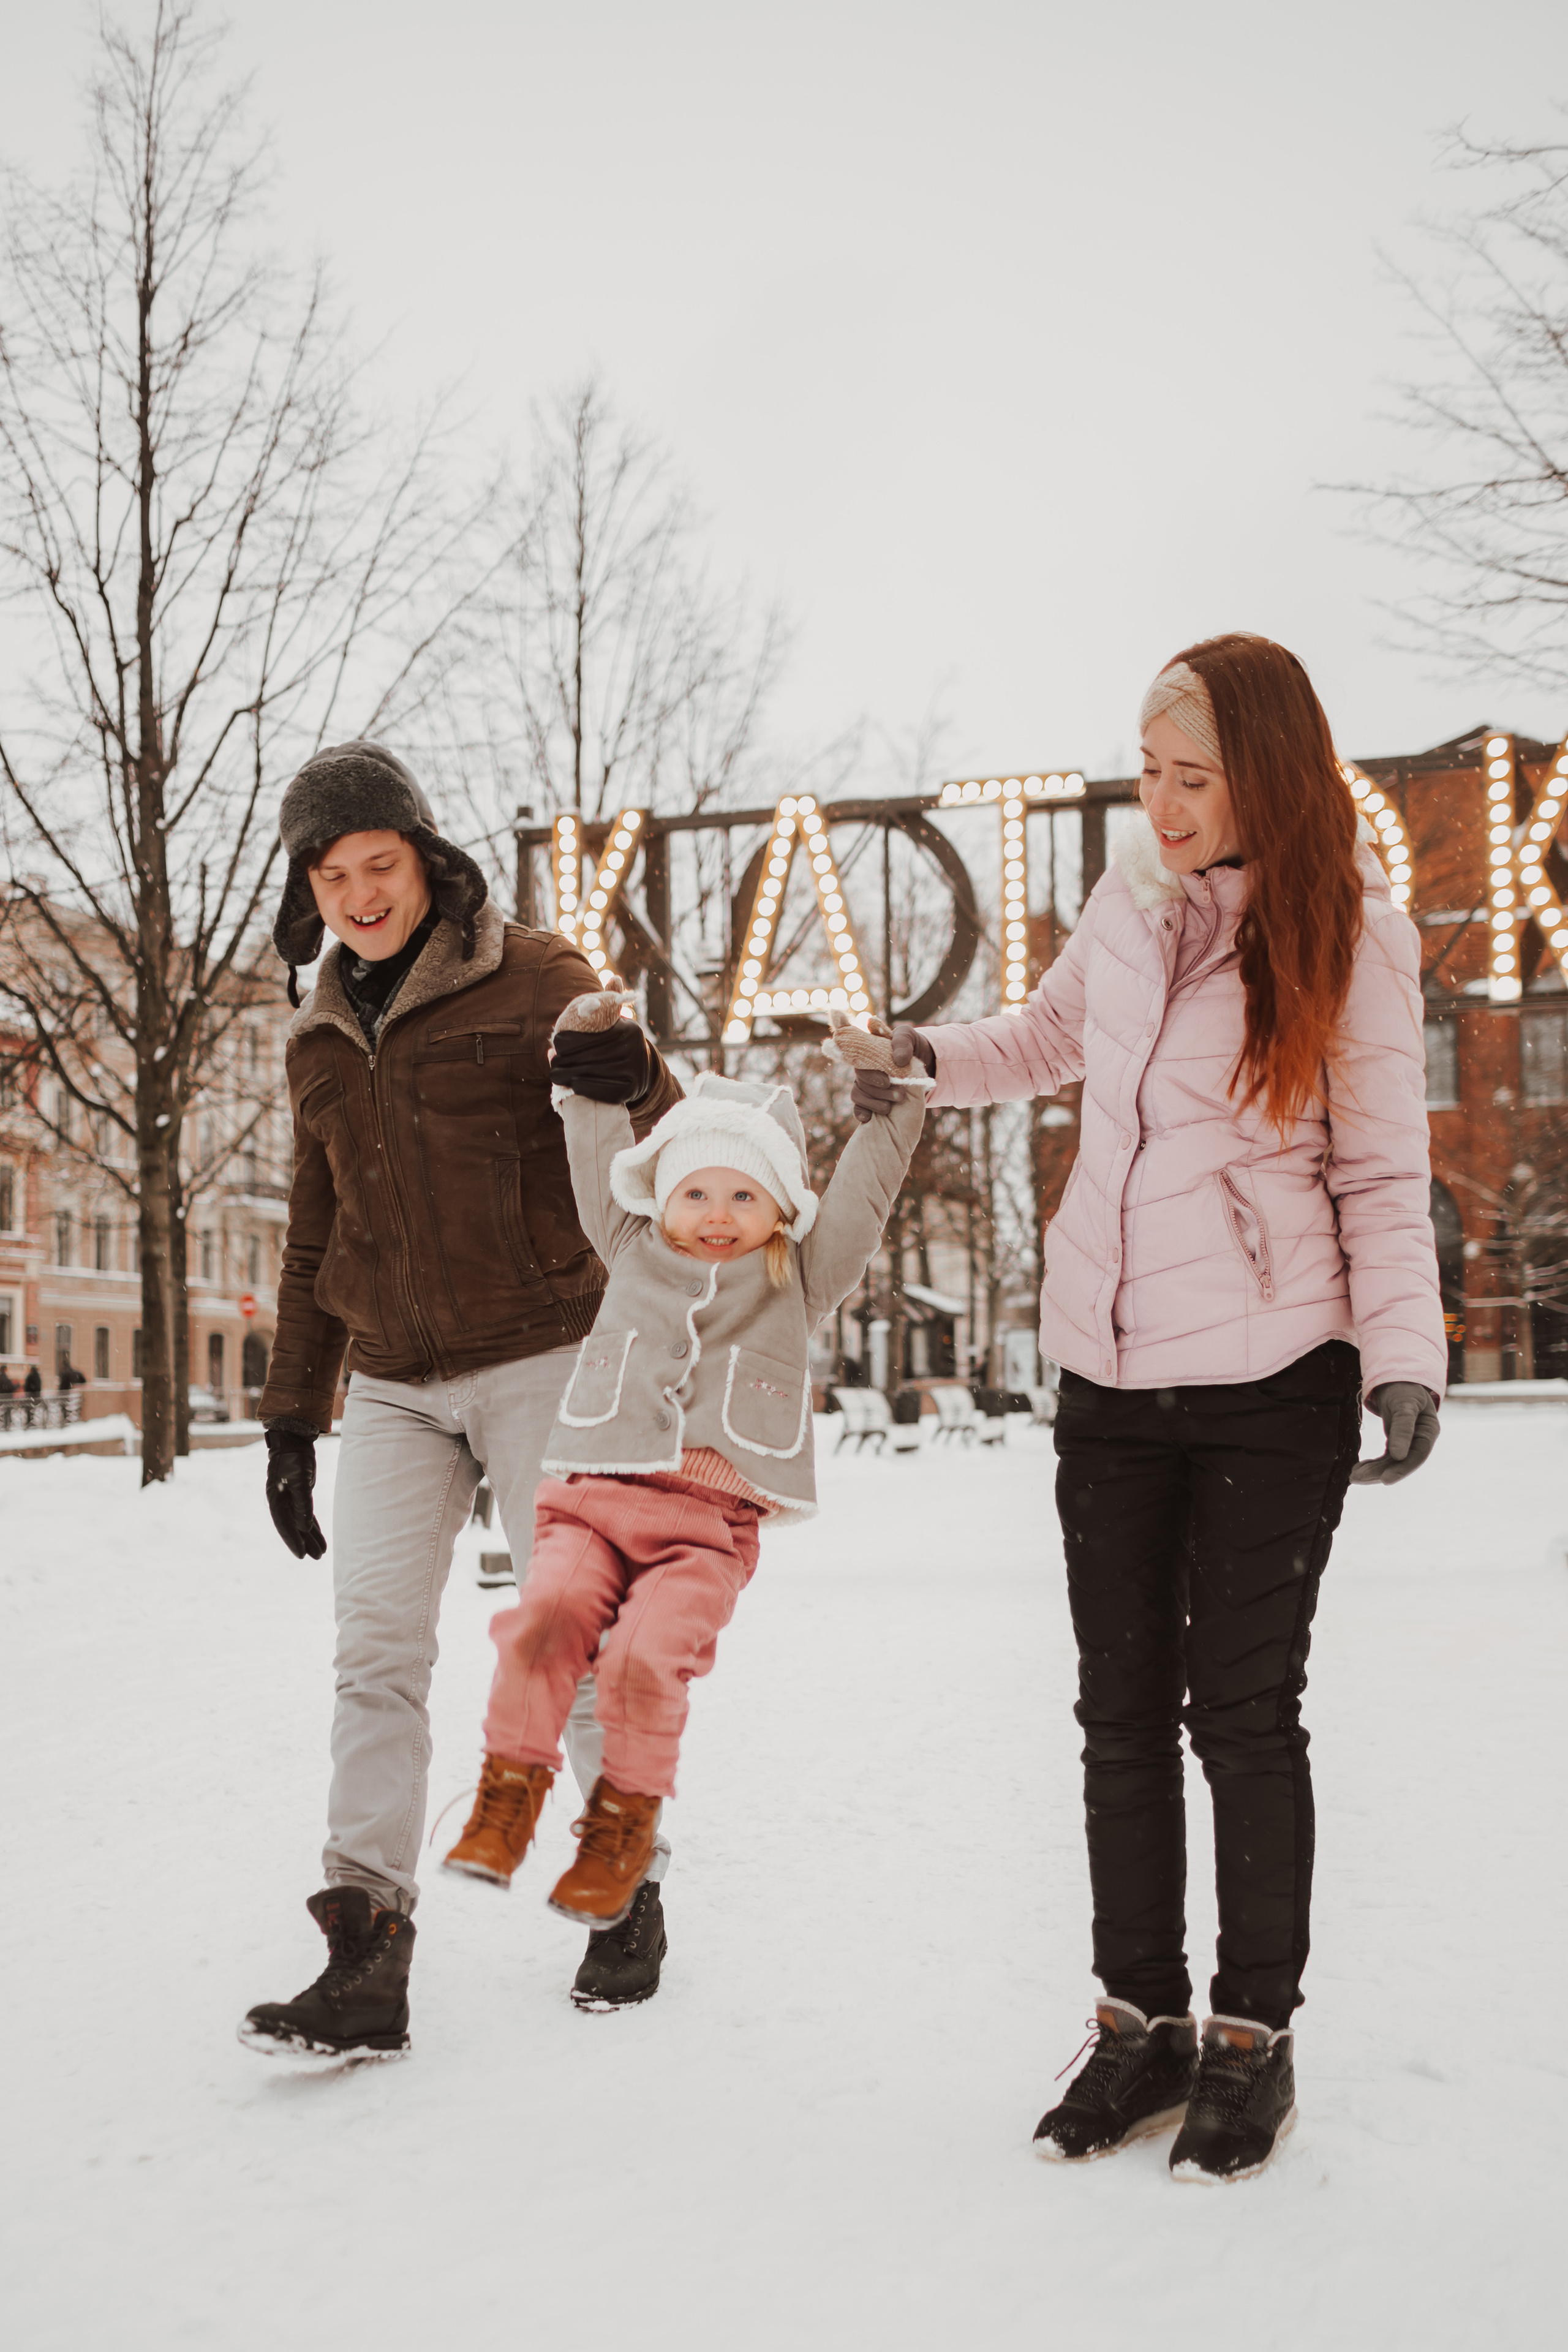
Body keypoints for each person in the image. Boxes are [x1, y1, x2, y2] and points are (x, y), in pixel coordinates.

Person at [855, 636, 1446, 2184]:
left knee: (1237, 1717)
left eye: (1193, 775)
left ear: (1265, 774)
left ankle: (1251, 2039)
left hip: (1272, 1385)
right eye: (1148, 769)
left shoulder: (1352, 938)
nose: (1163, 801)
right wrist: (921, 1057)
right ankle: (1140, 2025)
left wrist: (1402, 1354)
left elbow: (1383, 1173)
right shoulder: (1121, 911)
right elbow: (1041, 1044)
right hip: (1107, 1375)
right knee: (1116, 1720)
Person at [238, 742, 682, 2066]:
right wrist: (285, 1418)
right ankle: (365, 1944)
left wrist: (639, 1082)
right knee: (375, 1653)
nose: (361, 893)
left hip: (543, 1350)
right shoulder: (316, 1034)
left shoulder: (535, 976)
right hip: (386, 1381)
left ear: (427, 861)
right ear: (308, 891)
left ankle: (623, 1882)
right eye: (333, 875)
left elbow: (661, 1154)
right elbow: (314, 1241)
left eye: (380, 864)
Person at [442, 996, 927, 1932]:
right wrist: (584, 1053)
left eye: (744, 1196)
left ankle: (621, 1833)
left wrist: (892, 1097)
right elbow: (591, 1142)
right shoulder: (628, 1247)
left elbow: (866, 1193)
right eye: (696, 1193)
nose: (717, 1215)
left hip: (704, 1532)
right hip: (592, 1503)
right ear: (661, 1198)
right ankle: (507, 1802)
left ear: (780, 1208)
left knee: (640, 1662)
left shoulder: (800, 1275)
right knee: (541, 1628)